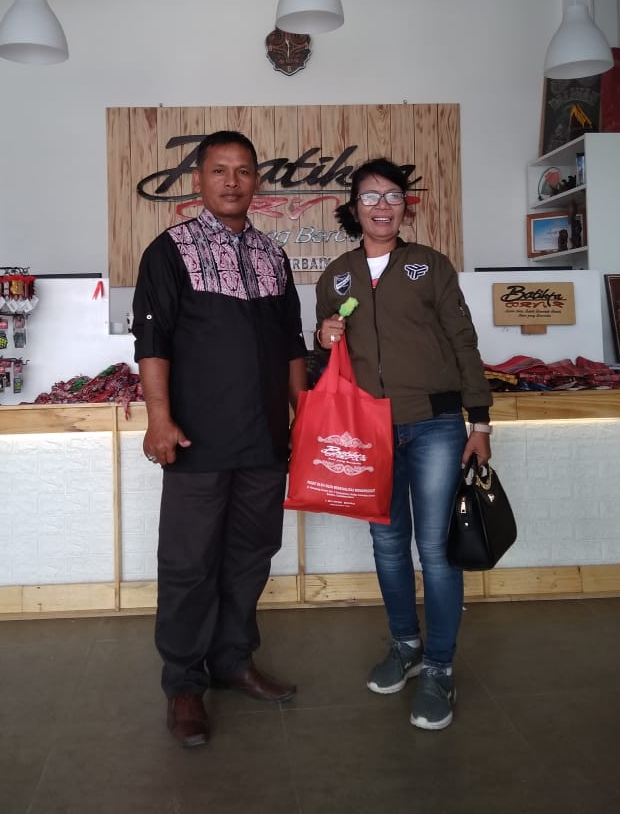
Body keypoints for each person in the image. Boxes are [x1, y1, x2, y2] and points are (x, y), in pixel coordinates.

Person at [132, 130, 308, 748]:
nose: (232, 181)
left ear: (257, 181)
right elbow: (152, 341)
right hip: (197, 441)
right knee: (189, 563)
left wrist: (304, 416)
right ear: (199, 181)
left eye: (243, 170)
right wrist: (159, 419)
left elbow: (292, 345)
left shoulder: (273, 254)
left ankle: (233, 660)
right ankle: (184, 683)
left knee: (251, 555)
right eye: (219, 170)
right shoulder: (170, 250)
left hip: (264, 441)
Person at [314, 158, 492, 731]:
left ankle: (439, 666)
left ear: (404, 206)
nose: (382, 206)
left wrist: (480, 421)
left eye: (392, 195)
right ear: (354, 208)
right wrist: (322, 336)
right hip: (369, 431)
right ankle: (405, 645)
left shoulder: (430, 266)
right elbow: (327, 360)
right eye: (370, 197)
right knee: (388, 544)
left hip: (435, 424)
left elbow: (463, 341)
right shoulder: (336, 276)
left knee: (435, 550)